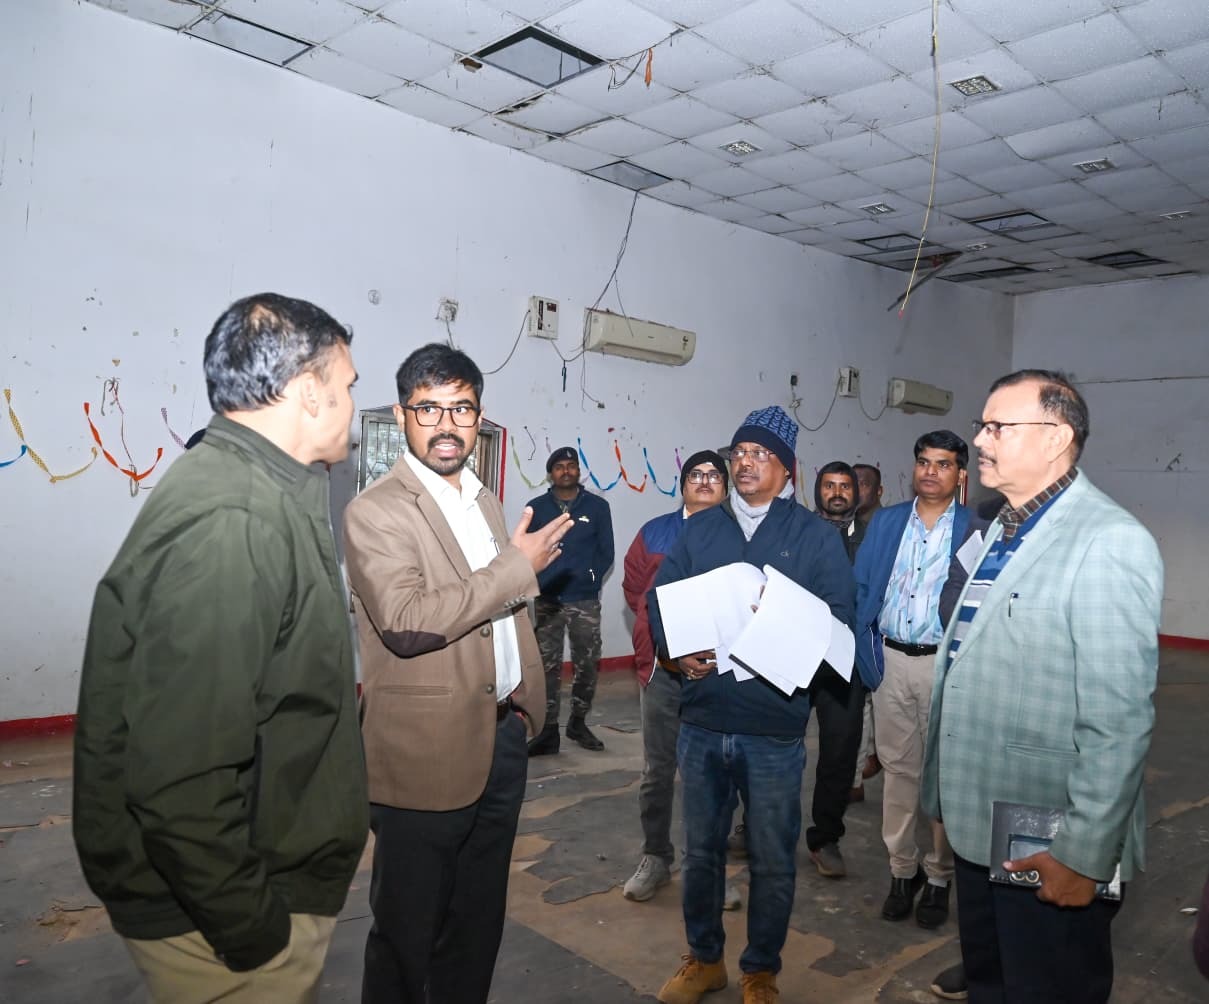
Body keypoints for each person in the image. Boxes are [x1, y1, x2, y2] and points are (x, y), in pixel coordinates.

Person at [73, 293, 369, 1003]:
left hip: (239, 881)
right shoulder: (236, 518)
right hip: (220, 916)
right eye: (349, 385)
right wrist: (252, 928)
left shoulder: (253, 487)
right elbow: (180, 777)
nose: (354, 408)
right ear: (309, 392)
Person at [922, 370, 1164, 1003]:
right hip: (980, 821)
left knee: (1047, 988)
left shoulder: (1108, 541)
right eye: (982, 426)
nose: (980, 440)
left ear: (1056, 437)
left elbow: (1118, 721)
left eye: (997, 426)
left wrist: (1082, 853)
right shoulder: (1004, 528)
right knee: (993, 984)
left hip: (1049, 836)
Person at [344, 343, 572, 1004]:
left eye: (462, 409)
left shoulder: (485, 502)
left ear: (479, 417)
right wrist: (516, 567)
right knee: (406, 931)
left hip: (500, 738)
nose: (447, 424)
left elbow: (497, 608)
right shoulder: (375, 511)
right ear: (401, 416)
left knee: (476, 922)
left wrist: (522, 707)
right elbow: (408, 622)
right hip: (423, 751)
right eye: (429, 409)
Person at [649, 405, 855, 1004]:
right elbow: (661, 600)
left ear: (788, 470)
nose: (745, 462)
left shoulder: (813, 537)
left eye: (761, 454)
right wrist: (675, 653)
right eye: (739, 452)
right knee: (701, 853)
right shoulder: (701, 530)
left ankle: (761, 970)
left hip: (772, 729)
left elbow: (840, 620)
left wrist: (786, 619)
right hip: (703, 721)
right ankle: (705, 959)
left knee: (771, 858)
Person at [854, 431, 970, 930]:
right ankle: (903, 871)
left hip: (945, 667)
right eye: (924, 462)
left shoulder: (975, 529)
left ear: (960, 474)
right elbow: (861, 586)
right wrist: (866, 653)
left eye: (943, 464)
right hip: (891, 663)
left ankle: (940, 876)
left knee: (942, 777)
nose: (930, 472)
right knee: (899, 771)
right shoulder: (886, 522)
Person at [622, 450, 729, 903]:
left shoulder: (739, 537)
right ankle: (655, 858)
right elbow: (635, 591)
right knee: (658, 769)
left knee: (713, 773)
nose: (704, 481)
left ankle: (707, 867)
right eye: (695, 474)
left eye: (714, 475)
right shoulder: (654, 533)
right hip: (663, 673)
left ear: (725, 487)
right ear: (682, 485)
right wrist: (666, 643)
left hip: (718, 673)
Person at [526, 446, 615, 753]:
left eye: (571, 465)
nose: (566, 470)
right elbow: (528, 551)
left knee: (587, 663)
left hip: (584, 601)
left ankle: (578, 722)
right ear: (551, 474)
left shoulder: (598, 507)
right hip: (547, 599)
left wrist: (590, 578)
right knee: (545, 667)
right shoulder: (536, 508)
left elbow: (607, 552)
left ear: (578, 471)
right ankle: (548, 730)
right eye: (559, 466)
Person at [802, 461, 867, 877]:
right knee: (775, 747)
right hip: (796, 652)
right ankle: (754, 828)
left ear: (856, 494)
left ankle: (825, 837)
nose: (837, 493)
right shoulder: (797, 531)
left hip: (846, 661)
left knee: (839, 752)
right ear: (817, 491)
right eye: (829, 485)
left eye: (845, 486)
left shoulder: (871, 538)